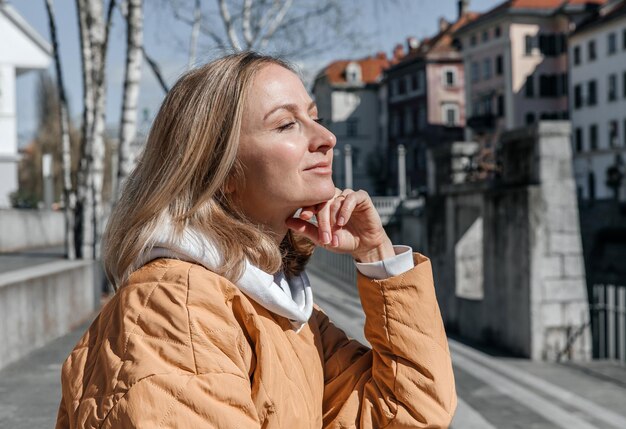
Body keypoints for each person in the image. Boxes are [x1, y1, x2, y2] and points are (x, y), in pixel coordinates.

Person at [55, 52, 456, 429]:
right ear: (222, 170)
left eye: (314, 117)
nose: (327, 138)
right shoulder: (176, 306)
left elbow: (406, 412)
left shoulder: (279, 307)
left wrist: (378, 256)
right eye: (286, 124)